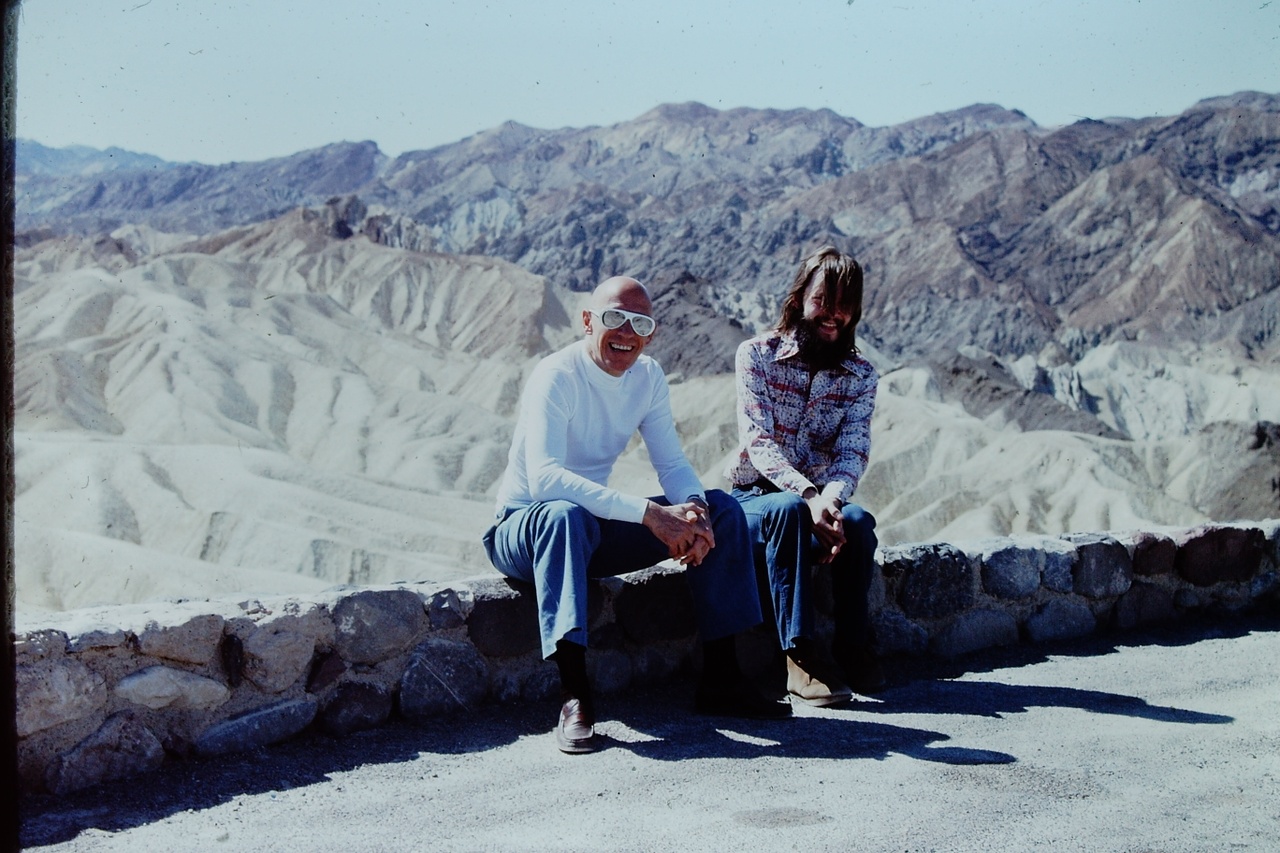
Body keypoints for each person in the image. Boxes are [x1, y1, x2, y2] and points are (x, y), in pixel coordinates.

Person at [483, 275, 789, 754]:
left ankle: (724, 678)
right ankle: (575, 697)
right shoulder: (556, 375)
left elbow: (672, 464)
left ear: (651, 334)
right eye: (615, 318)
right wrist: (650, 514)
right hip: (525, 530)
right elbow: (545, 481)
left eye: (639, 324)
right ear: (588, 321)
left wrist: (695, 513)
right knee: (564, 516)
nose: (626, 332)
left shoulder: (647, 377)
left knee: (724, 510)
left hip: (590, 529)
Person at [726, 246, 884, 707]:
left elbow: (853, 451)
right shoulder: (756, 355)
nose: (833, 314)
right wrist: (808, 494)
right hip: (755, 503)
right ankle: (799, 656)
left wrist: (829, 501)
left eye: (844, 305)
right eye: (822, 301)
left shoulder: (861, 376)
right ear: (799, 300)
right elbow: (759, 442)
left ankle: (853, 648)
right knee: (788, 509)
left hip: (815, 505)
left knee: (858, 523)